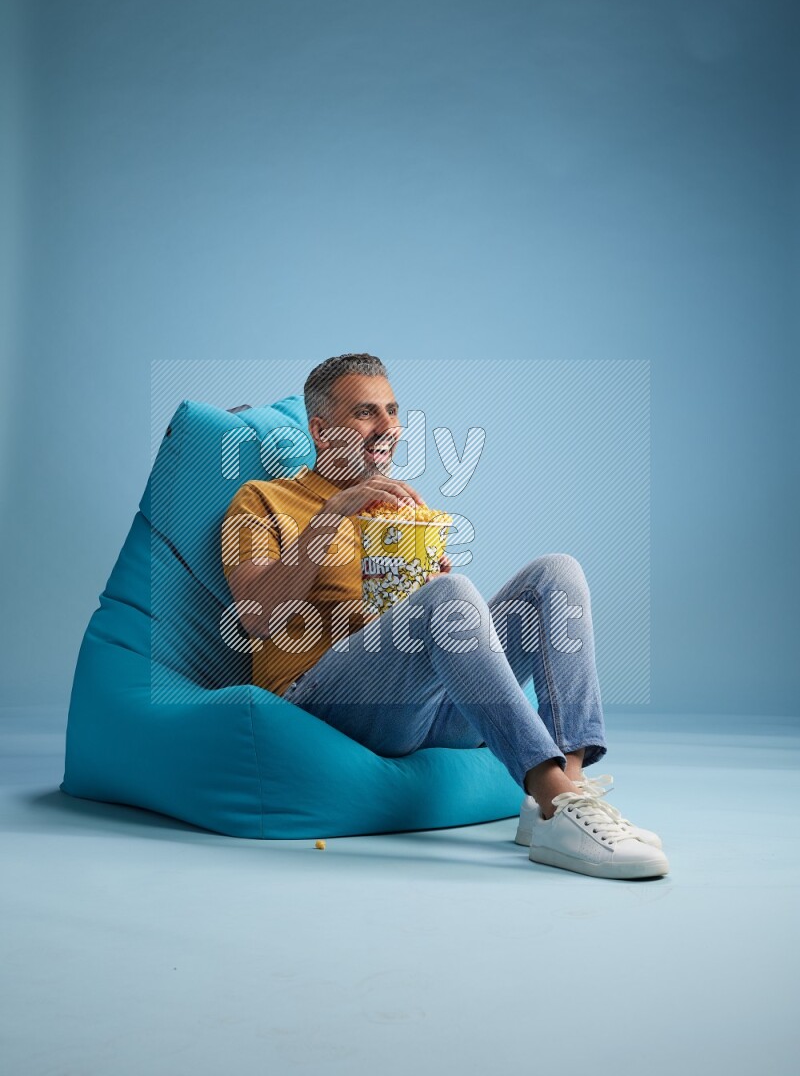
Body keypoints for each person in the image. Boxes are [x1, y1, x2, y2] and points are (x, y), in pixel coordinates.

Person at [221, 354, 669, 880]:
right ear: (320, 430)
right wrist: (333, 514)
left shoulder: (399, 508)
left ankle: (560, 801)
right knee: (450, 594)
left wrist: (427, 592)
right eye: (366, 412)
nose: (388, 427)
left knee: (556, 574)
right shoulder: (262, 499)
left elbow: (418, 624)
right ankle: (553, 796)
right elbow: (255, 618)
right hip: (321, 705)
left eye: (392, 411)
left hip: (420, 708)